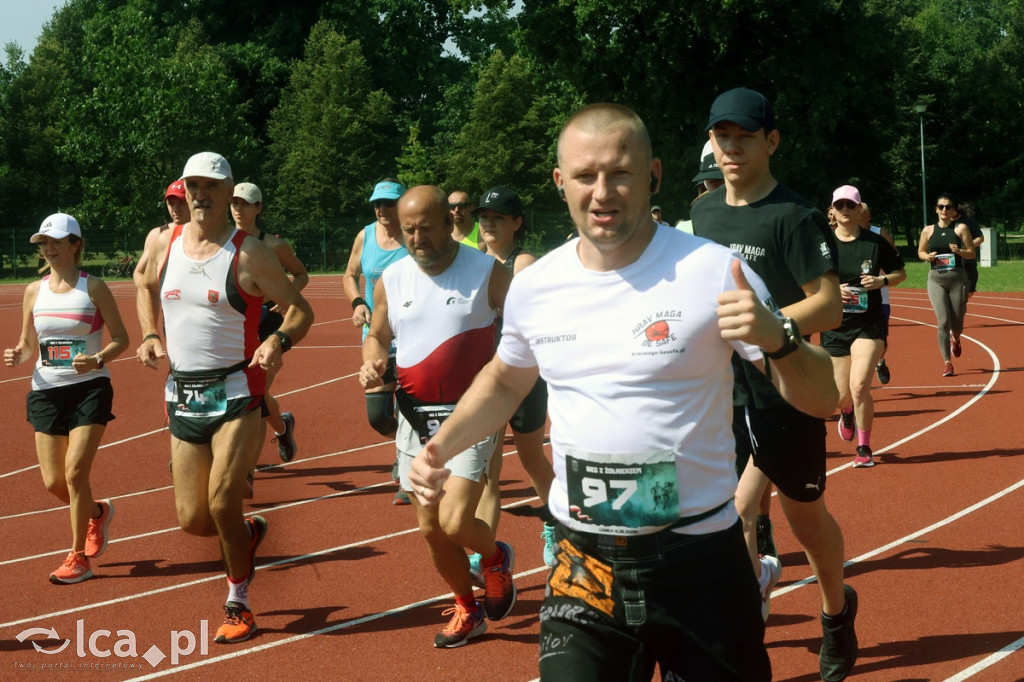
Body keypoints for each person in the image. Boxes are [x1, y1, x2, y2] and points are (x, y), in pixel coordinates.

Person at [408, 103, 839, 680]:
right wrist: (441, 447)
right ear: (561, 183)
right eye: (586, 176)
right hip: (583, 565)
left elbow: (823, 399)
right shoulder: (536, 286)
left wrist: (779, 336)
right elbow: (507, 378)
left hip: (700, 562)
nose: (602, 192)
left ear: (653, 175)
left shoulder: (715, 271)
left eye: (621, 173)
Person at [691, 88, 857, 682]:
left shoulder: (793, 215)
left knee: (804, 516)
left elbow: (831, 306)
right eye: (722, 136)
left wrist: (775, 326)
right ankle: (742, 621)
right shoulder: (704, 212)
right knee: (728, 511)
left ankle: (836, 611)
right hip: (716, 392)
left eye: (745, 136)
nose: (732, 147)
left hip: (784, 387)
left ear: (771, 141)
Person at [135, 152, 314, 644]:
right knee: (193, 520)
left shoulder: (248, 252)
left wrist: (278, 340)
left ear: (228, 193)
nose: (199, 194)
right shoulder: (163, 241)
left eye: (210, 186)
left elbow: (300, 310)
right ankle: (248, 533)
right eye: (192, 185)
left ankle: (239, 602)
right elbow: (142, 282)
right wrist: (150, 333)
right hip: (184, 396)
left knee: (219, 502)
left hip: (238, 393)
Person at [360, 185, 516, 649]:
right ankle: (468, 609)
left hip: (471, 416)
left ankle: (491, 556)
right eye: (408, 230)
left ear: (450, 222)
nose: (416, 238)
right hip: (414, 417)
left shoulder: (488, 271)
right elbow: (378, 333)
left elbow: (525, 329)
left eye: (426, 228)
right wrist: (372, 359)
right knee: (430, 528)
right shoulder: (393, 278)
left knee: (452, 522)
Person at [3, 213, 128, 583]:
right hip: (45, 390)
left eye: (56, 241)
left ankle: (78, 558)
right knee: (54, 482)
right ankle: (97, 513)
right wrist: (17, 354)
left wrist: (97, 359)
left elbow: (121, 338)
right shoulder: (33, 291)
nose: (49, 249)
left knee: (75, 472)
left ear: (76, 245)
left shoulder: (94, 288)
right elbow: (30, 344)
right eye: (44, 243)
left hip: (89, 388)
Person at [472, 186, 558, 569]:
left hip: (522, 377)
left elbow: (510, 311)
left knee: (531, 458)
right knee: (489, 469)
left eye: (498, 218)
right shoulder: (472, 261)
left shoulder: (522, 262)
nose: (489, 223)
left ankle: (557, 525)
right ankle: (485, 552)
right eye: (484, 217)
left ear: (516, 223)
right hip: (485, 378)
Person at [825, 186, 906, 468]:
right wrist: (834, 289)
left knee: (859, 385)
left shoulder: (874, 242)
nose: (845, 209)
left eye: (851, 204)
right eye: (840, 205)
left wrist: (881, 282)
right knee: (840, 394)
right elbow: (808, 283)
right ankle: (846, 411)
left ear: (860, 209)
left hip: (869, 325)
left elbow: (901, 273)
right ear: (832, 210)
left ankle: (864, 446)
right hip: (835, 325)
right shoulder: (823, 245)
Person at [231, 181, 308, 465]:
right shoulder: (220, 241)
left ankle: (245, 466)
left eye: (246, 203)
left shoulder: (273, 245)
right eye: (235, 202)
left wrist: (287, 296)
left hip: (267, 322)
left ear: (258, 208)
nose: (239, 209)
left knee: (257, 391)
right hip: (234, 321)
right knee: (237, 390)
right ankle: (283, 426)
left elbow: (300, 274)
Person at [342, 178, 409, 505]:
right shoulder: (365, 236)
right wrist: (357, 302)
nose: (382, 209)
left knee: (414, 410)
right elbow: (349, 274)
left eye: (389, 203)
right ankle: (405, 446)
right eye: (377, 204)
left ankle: (409, 469)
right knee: (378, 416)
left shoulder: (414, 236)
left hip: (413, 340)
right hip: (378, 339)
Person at [917, 192, 974, 377]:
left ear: (953, 211)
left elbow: (972, 253)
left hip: (957, 278)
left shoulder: (961, 228)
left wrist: (960, 251)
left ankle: (956, 337)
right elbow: (920, 252)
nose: (944, 210)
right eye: (941, 207)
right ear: (936, 209)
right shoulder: (928, 230)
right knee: (942, 321)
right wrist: (928, 257)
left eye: (948, 207)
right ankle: (947, 362)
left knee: (956, 323)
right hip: (936, 279)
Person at [134, 181, 191, 315]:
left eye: (181, 203)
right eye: (171, 204)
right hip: (171, 311)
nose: (176, 209)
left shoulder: (205, 233)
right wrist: (150, 291)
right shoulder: (157, 235)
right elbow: (139, 273)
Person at [858, 202, 897, 385]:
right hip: (852, 297)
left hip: (879, 294)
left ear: (868, 216)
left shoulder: (879, 233)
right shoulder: (841, 235)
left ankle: (880, 362)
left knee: (880, 337)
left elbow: (894, 259)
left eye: (860, 213)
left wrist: (880, 271)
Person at [954, 201, 985, 301]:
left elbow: (980, 238)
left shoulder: (968, 222)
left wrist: (967, 247)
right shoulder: (944, 223)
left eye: (950, 207)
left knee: (969, 292)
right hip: (951, 263)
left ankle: (958, 308)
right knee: (955, 293)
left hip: (967, 261)